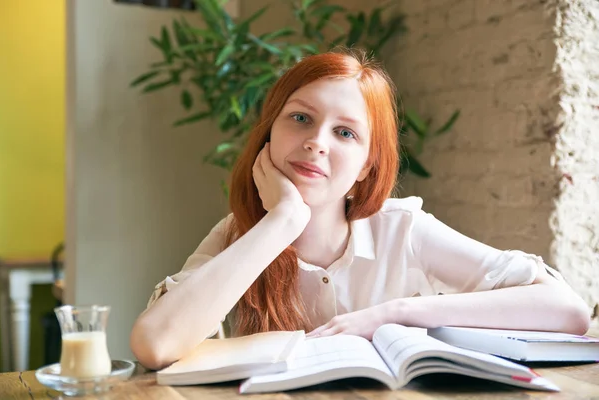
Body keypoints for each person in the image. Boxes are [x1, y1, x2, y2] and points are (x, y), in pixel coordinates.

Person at [130, 50, 591, 370]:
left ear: (368, 165)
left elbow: (567, 311)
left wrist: (394, 314)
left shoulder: (402, 229)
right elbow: (154, 345)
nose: (316, 142)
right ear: (269, 133)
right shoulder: (240, 234)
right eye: (300, 118)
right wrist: (282, 222)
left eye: (345, 133)